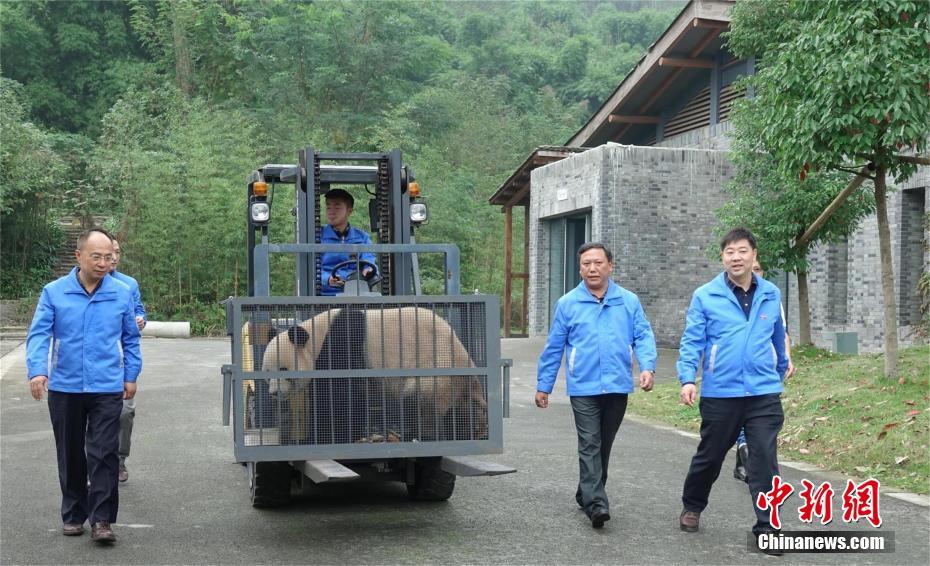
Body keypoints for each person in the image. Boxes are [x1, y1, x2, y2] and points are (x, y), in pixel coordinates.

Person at [26, 227, 142, 544]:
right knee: (71, 452)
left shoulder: (121, 292)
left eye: (108, 256)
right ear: (79, 256)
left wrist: (131, 374)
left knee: (104, 453)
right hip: (65, 386)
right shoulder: (54, 292)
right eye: (96, 257)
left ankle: (102, 520)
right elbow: (39, 335)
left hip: (107, 385)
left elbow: (131, 339)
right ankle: (75, 514)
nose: (104, 262)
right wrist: (38, 371)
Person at [676, 227, 788, 543]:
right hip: (721, 393)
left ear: (754, 255)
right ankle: (692, 505)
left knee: (763, 457)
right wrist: (687, 378)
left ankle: (768, 527)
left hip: (763, 393)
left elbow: (778, 339)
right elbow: (692, 341)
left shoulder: (770, 294)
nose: (736, 257)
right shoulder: (705, 295)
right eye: (729, 252)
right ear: (723, 257)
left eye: (742, 251)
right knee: (710, 456)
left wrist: (776, 374)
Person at [536, 242, 657, 529]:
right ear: (580, 269)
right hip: (583, 387)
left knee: (604, 444)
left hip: (617, 386)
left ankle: (586, 491)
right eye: (586, 263)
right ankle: (596, 503)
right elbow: (554, 347)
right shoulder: (567, 304)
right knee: (589, 442)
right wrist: (544, 385)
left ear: (610, 266)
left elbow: (643, 335)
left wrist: (648, 367)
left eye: (598, 263)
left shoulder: (628, 301)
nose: (592, 268)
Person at [732, 259, 796, 482]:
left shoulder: (771, 296)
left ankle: (747, 458)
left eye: (759, 268)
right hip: (734, 371)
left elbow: (782, 332)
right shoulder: (727, 294)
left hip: (765, 368)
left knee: (760, 417)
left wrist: (786, 358)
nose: (755, 272)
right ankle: (745, 454)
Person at [110, 239, 147, 483]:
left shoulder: (128, 284)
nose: (112, 258)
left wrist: (141, 319)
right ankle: (93, 463)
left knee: (124, 413)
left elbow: (140, 311)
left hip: (123, 363)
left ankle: (120, 460)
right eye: (106, 253)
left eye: (116, 253)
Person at [320, 188, 377, 295]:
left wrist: (369, 269)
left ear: (349, 211)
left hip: (356, 293)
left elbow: (369, 259)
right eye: (328, 207)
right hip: (326, 295)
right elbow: (311, 269)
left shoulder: (362, 238)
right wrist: (327, 279)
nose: (331, 211)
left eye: (337, 207)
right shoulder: (318, 237)